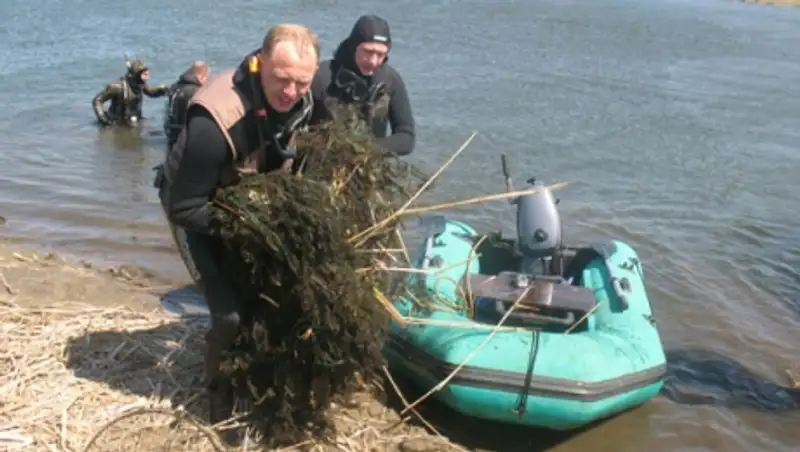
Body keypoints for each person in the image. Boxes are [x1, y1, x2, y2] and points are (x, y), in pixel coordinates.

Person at [153, 23, 319, 429]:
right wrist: (250, 229)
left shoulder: (300, 95)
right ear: (261, 64)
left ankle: (257, 377)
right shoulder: (216, 122)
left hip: (246, 200)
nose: (291, 92)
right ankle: (217, 402)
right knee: (229, 315)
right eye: (281, 80)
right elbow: (184, 208)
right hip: (195, 204)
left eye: (302, 82)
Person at [309, 14, 415, 156]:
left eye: (380, 54)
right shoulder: (321, 77)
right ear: (353, 47)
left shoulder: (390, 80)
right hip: (322, 164)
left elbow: (406, 136)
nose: (373, 61)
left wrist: (368, 149)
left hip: (369, 163)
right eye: (368, 52)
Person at [92, 59, 169, 127]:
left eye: (148, 75)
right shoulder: (117, 87)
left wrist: (163, 90)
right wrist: (102, 118)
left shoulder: (140, 84)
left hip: (134, 120)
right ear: (137, 75)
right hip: (117, 123)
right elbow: (97, 100)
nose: (147, 78)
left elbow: (151, 92)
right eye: (145, 75)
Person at [163, 61, 211, 147]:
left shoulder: (174, 86)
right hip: (183, 135)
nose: (207, 82)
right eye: (206, 78)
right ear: (200, 76)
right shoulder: (196, 91)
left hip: (170, 130)